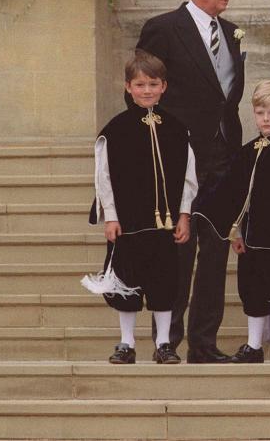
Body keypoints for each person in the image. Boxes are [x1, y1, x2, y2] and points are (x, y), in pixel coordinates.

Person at [136, 0, 245, 364]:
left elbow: (226, 100)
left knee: (215, 254)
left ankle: (204, 343)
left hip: (222, 159)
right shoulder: (164, 29)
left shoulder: (232, 33)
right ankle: (167, 340)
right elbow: (142, 92)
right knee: (175, 253)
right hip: (177, 159)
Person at [82, 51, 196, 365]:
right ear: (128, 87)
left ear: (164, 87)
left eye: (153, 84)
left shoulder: (176, 129)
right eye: (140, 84)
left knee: (164, 283)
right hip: (128, 223)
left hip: (166, 226)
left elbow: (189, 176)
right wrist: (111, 216)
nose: (146, 90)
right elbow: (103, 176)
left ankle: (164, 343)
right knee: (126, 283)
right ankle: (126, 342)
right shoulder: (115, 130)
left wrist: (184, 214)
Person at [195, 80, 270, 364]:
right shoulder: (246, 152)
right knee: (253, 289)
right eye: (261, 112)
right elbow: (235, 193)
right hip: (254, 234)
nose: (266, 118)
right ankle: (253, 346)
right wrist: (233, 230)